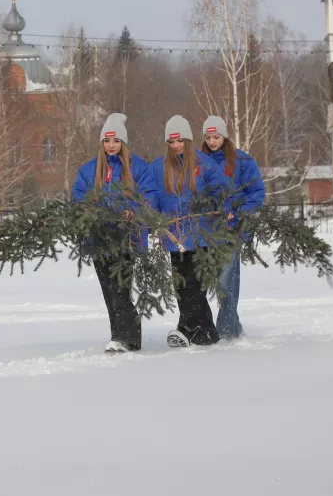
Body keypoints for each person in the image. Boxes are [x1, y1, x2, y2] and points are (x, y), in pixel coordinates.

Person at [71, 113, 154, 354]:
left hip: (126, 236)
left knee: (120, 287)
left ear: (123, 143)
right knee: (109, 288)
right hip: (98, 237)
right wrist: (87, 213)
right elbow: (78, 199)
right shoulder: (89, 170)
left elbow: (149, 196)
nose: (111, 146)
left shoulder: (138, 167)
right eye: (107, 141)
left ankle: (124, 337)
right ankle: (122, 335)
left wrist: (133, 212)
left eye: (116, 141)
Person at [145, 115, 227, 347]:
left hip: (201, 234)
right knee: (181, 283)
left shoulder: (205, 164)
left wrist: (213, 207)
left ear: (188, 140)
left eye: (180, 140)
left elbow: (220, 192)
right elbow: (150, 195)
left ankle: (187, 329)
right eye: (171, 142)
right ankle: (207, 331)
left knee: (193, 283)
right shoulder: (158, 167)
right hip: (174, 235)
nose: (176, 145)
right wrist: (154, 216)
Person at [201, 115, 266, 339]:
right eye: (208, 137)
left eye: (216, 136)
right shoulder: (198, 161)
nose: (212, 141)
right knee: (207, 283)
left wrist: (237, 215)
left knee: (226, 280)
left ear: (224, 136)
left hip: (231, 231)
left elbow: (256, 193)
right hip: (204, 232)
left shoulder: (243, 162)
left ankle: (226, 331)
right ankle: (234, 327)